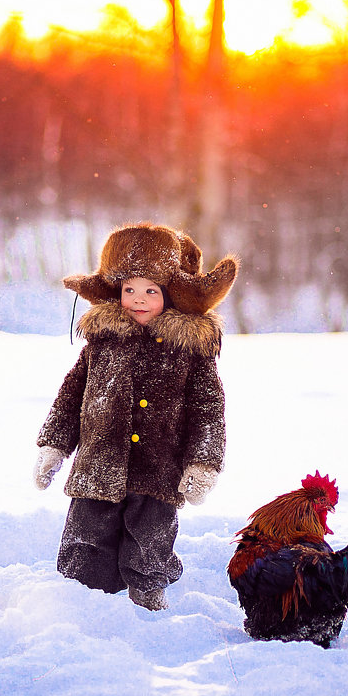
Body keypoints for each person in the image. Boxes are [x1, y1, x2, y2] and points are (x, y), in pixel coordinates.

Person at [34, 222, 238, 610]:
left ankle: (148, 602)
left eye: (151, 291)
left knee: (150, 543)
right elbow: (71, 394)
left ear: (171, 295)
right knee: (86, 540)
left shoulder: (189, 349)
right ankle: (82, 607)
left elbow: (208, 409)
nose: (139, 299)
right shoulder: (102, 341)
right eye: (130, 290)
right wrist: (54, 445)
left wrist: (203, 463)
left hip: (158, 469)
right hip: (98, 465)